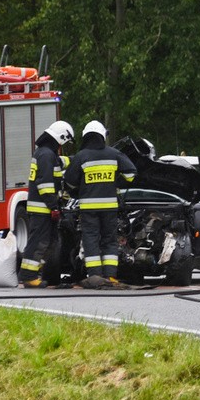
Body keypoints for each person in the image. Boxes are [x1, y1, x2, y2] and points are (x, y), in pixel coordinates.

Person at [64, 121, 137, 288]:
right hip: (109, 207)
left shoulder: (81, 156)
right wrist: (115, 183)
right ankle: (111, 277)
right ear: (102, 135)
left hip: (88, 208)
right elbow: (131, 173)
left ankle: (95, 276)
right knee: (110, 240)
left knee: (90, 239)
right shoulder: (114, 154)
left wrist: (80, 189)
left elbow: (69, 181)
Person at [19, 121, 75, 288]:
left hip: (43, 208)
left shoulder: (46, 154)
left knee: (48, 242)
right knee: (39, 242)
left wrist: (76, 159)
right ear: (61, 137)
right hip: (42, 208)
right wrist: (54, 207)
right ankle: (28, 276)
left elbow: (60, 162)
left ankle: (34, 273)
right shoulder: (46, 155)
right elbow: (45, 185)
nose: (62, 145)